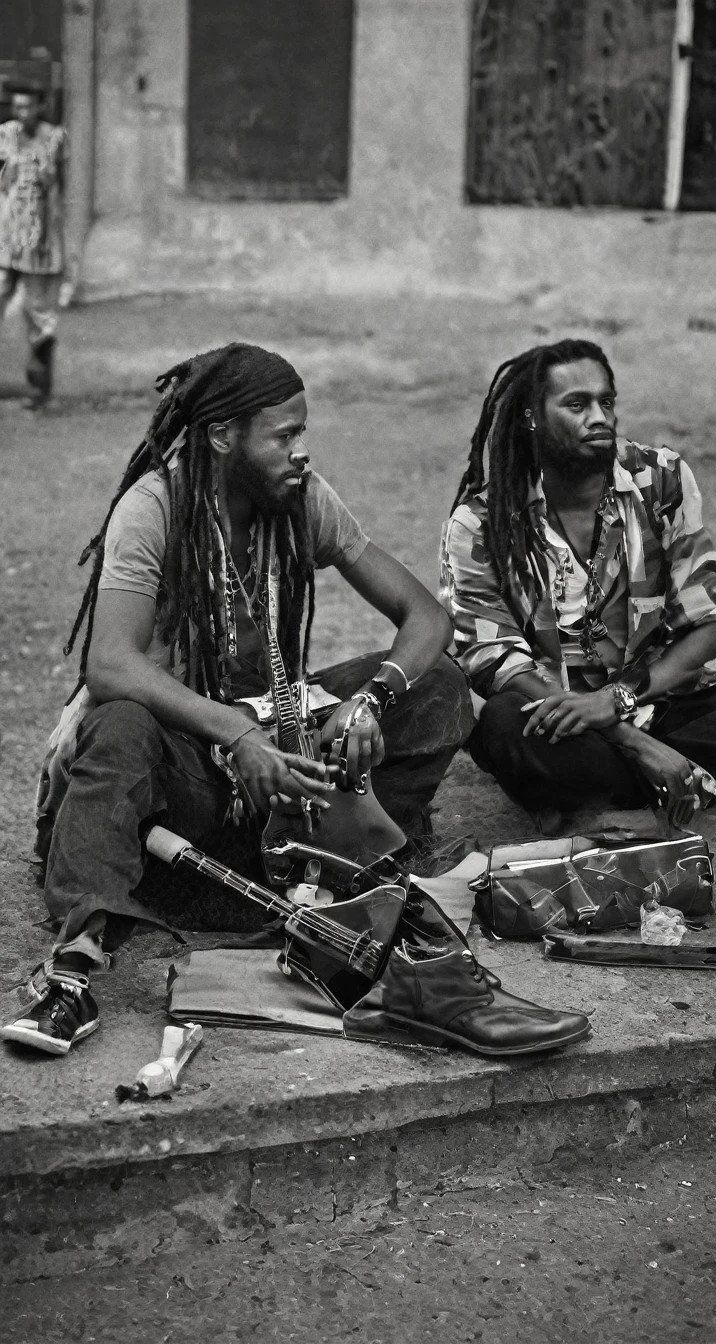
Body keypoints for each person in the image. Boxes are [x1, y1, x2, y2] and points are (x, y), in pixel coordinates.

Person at [2, 343, 475, 1056]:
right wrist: (233, 734)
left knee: (437, 684)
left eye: (302, 432)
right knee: (118, 723)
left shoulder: (298, 498)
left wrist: (372, 700)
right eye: (284, 435)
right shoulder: (154, 507)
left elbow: (426, 617)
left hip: (271, 752)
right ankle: (76, 965)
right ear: (223, 436)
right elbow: (110, 665)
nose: (302, 451)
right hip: (184, 772)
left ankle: (334, 865)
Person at [440, 337, 716, 831]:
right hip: (559, 725)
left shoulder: (660, 479)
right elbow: (493, 660)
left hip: (661, 703)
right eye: (577, 404)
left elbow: (708, 625)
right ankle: (698, 773)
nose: (600, 417)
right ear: (532, 416)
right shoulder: (480, 524)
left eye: (606, 402)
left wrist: (618, 702)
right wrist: (630, 739)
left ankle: (616, 793)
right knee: (503, 725)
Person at [0, 82, 65, 408]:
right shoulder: (5, 134)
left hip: (39, 240)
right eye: (17, 106)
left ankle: (40, 389)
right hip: (6, 236)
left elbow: (61, 186)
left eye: (28, 106)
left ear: (40, 107)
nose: (22, 113)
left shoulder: (55, 138)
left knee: (38, 312)